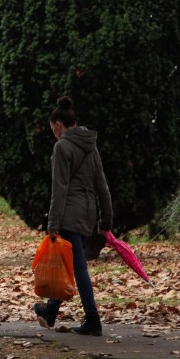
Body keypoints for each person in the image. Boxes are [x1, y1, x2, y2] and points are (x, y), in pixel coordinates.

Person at [34, 96, 113, 336]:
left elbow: (60, 189)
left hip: (69, 212)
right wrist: (106, 220)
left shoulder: (62, 147)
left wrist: (53, 223)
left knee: (77, 267)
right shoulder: (91, 145)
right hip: (87, 213)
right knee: (70, 264)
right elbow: (102, 185)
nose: (53, 133)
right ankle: (50, 311)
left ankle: (93, 320)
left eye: (52, 128)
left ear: (58, 124)